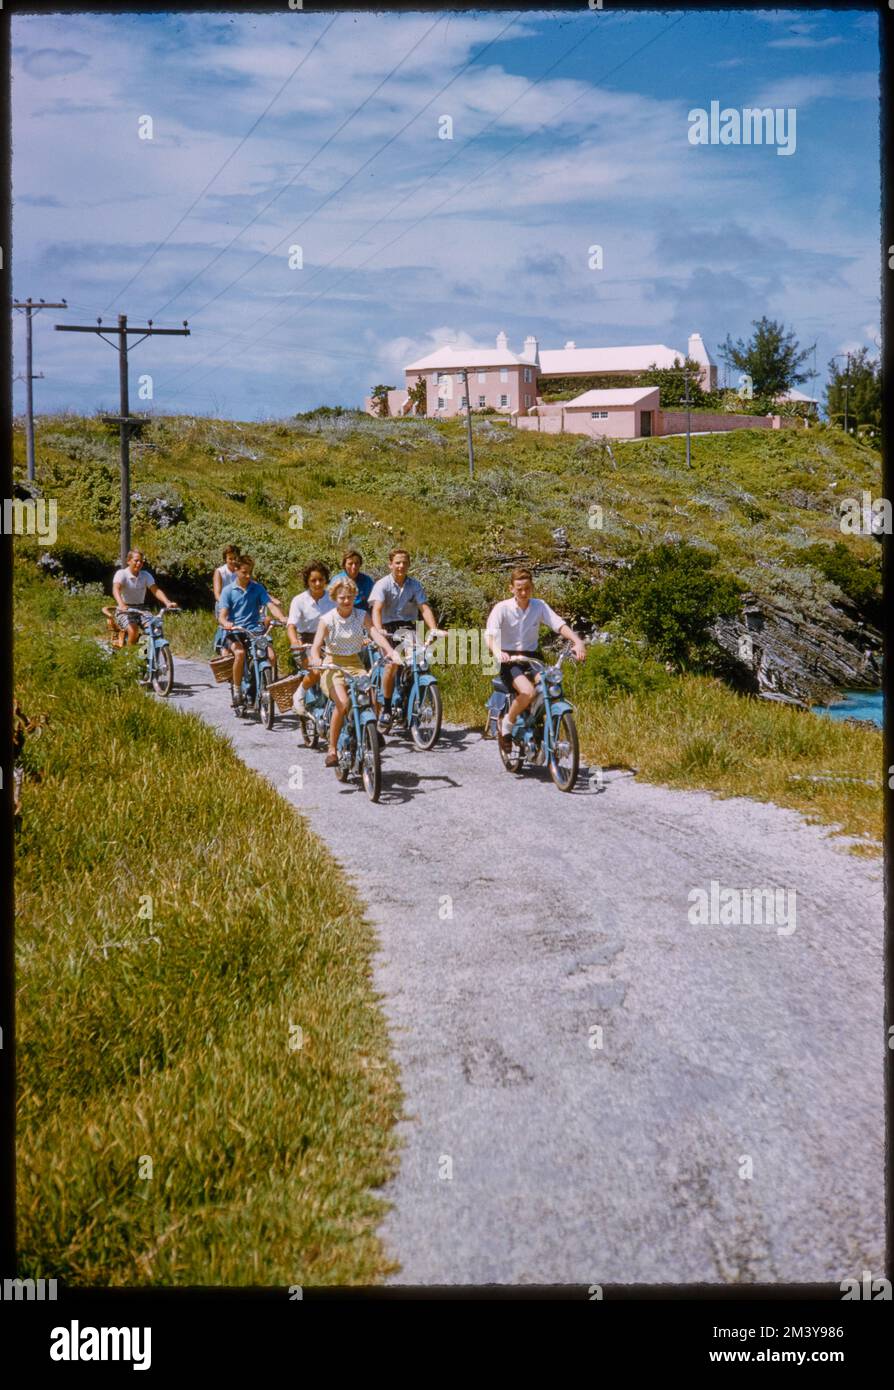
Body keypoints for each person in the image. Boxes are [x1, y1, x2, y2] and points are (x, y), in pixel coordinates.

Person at [485, 568, 586, 753]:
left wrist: (577, 641)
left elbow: (559, 625)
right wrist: (498, 652)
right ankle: (507, 723)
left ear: (532, 587)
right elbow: (490, 636)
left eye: (527, 589)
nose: (523, 593)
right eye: (519, 589)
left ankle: (537, 724)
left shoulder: (539, 605)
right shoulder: (502, 608)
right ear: (511, 589)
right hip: (510, 660)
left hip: (532, 658)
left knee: (551, 686)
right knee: (528, 692)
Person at [310, 575, 401, 767]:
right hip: (333, 665)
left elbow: (375, 634)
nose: (346, 601)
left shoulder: (361, 616)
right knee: (342, 704)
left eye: (350, 597)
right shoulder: (327, 620)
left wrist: (391, 651)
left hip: (355, 664)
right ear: (334, 598)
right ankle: (332, 750)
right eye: (342, 597)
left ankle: (370, 732)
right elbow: (316, 645)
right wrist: (316, 658)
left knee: (372, 698)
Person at [369, 548, 444, 732]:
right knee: (392, 664)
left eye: (404, 562)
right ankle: (386, 708)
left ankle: (409, 700)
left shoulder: (414, 585)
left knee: (421, 661)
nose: (401, 566)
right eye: (397, 562)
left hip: (407, 628)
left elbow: (424, 608)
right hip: (387, 628)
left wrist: (433, 629)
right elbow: (376, 609)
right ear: (390, 564)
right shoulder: (382, 584)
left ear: (409, 564)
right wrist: (379, 630)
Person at [219, 555, 288, 701]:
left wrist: (282, 617)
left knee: (271, 656)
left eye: (250, 572)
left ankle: (266, 684)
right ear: (236, 571)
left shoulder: (257, 588)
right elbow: (222, 615)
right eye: (244, 572)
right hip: (235, 631)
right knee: (239, 653)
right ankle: (237, 689)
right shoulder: (228, 591)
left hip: (255, 631)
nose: (248, 575)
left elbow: (270, 605)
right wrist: (226, 623)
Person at [286, 560, 334, 714]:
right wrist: (294, 641)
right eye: (313, 580)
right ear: (307, 582)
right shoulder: (299, 600)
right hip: (306, 642)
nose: (318, 583)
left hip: (329, 642)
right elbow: (291, 625)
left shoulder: (333, 599)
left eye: (321, 579)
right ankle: (298, 695)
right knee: (316, 670)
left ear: (326, 580)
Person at [112, 550, 176, 645]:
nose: (139, 563)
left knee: (153, 629)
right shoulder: (122, 574)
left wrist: (167, 602)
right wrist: (121, 604)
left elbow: (156, 590)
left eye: (141, 561)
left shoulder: (145, 575)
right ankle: (129, 657)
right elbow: (116, 589)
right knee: (133, 631)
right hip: (125, 610)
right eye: (136, 560)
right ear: (128, 561)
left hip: (142, 609)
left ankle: (144, 655)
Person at [212, 544, 241, 652]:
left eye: (235, 558)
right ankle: (222, 645)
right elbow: (217, 594)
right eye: (230, 559)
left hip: (238, 605)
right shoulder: (220, 572)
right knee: (228, 627)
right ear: (226, 559)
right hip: (223, 605)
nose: (233, 561)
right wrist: (227, 605)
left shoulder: (240, 571)